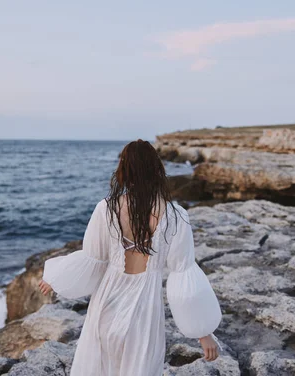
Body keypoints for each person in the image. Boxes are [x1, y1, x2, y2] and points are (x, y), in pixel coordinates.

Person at [38, 139, 223, 375]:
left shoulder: (107, 208)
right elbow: (183, 274)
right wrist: (203, 333)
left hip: (107, 303)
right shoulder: (176, 215)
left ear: (124, 171)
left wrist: (56, 279)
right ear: (157, 169)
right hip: (144, 312)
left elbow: (91, 259)